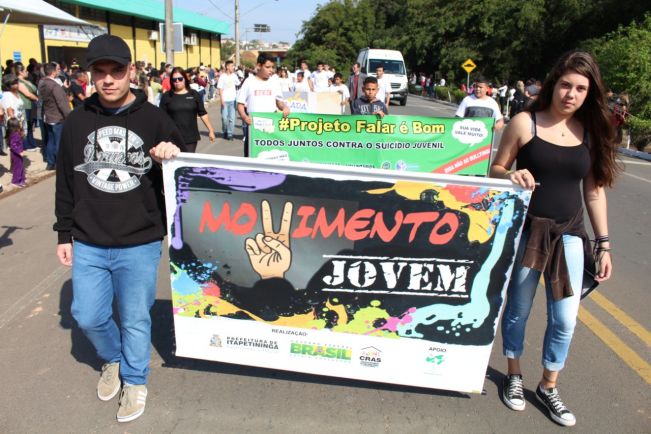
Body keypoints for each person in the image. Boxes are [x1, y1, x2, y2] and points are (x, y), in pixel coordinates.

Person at [54, 34, 184, 423]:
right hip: (89, 240)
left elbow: (184, 170)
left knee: (134, 317)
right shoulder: (77, 121)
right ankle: (113, 358)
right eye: (100, 72)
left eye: (116, 71)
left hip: (139, 240)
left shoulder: (155, 118)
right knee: (87, 315)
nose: (108, 79)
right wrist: (63, 233)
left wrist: (169, 155)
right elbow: (65, 181)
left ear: (131, 72)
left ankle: (135, 379)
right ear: (90, 75)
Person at [490, 51, 619, 427]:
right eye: (565, 85)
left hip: (570, 235)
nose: (571, 94)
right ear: (553, 84)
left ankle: (548, 385)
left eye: (581, 89)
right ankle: (514, 374)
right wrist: (511, 176)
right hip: (528, 232)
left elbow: (594, 191)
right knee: (518, 308)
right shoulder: (524, 123)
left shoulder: (590, 132)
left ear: (590, 94)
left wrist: (604, 243)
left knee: (565, 318)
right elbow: (496, 168)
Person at [237, 52, 290, 157]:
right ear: (259, 66)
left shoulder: (274, 82)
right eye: (267, 67)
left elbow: (279, 102)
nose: (271, 70)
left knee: (270, 157)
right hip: (253, 129)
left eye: (272, 67)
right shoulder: (249, 82)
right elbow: (240, 104)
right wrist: (244, 116)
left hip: (270, 129)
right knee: (251, 158)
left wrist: (284, 107)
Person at [160, 67, 215, 153]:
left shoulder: (194, 94)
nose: (177, 81)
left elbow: (202, 113)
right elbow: (161, 117)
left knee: (187, 160)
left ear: (185, 79)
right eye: (174, 79)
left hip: (191, 137)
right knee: (174, 160)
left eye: (180, 79)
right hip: (172, 137)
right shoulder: (167, 96)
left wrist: (211, 130)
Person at [38, 62, 71, 170]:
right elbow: (62, 103)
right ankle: (59, 163)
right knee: (58, 142)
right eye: (57, 70)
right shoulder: (54, 86)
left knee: (50, 141)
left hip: (47, 116)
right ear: (53, 72)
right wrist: (69, 116)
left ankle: (50, 162)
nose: (58, 72)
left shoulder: (42, 83)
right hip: (57, 117)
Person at [15, 63, 39, 151]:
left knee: (30, 125)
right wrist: (37, 98)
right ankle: (26, 145)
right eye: (25, 71)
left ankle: (32, 143)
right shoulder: (18, 82)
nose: (27, 72)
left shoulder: (26, 81)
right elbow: (27, 94)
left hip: (30, 105)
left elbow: (33, 89)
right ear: (20, 72)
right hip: (25, 105)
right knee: (25, 125)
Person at [217, 60, 238, 140]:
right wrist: (221, 99)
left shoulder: (234, 76)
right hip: (225, 100)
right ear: (227, 67)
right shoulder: (222, 76)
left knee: (232, 118)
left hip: (233, 100)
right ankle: (225, 131)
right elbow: (220, 88)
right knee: (224, 118)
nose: (233, 67)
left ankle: (230, 134)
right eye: (232, 66)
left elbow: (238, 84)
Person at [6, 117, 26, 187]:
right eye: (18, 123)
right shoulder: (14, 134)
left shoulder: (14, 133)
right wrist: (19, 152)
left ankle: (21, 180)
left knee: (20, 166)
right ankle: (15, 181)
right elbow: (13, 145)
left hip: (17, 153)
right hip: (16, 154)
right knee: (17, 167)